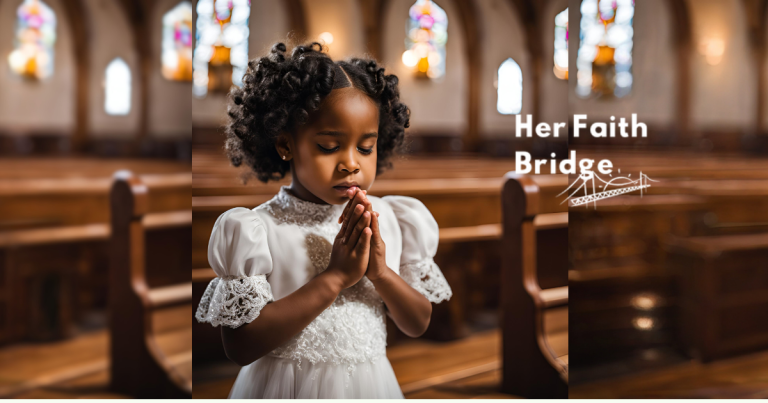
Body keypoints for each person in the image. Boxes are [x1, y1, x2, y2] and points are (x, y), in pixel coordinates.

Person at [195, 41, 452, 399]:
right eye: (329, 147)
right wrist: (334, 278)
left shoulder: (391, 219)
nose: (351, 164)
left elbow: (418, 323)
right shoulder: (257, 230)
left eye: (365, 147)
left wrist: (380, 273)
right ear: (286, 145)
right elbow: (240, 347)